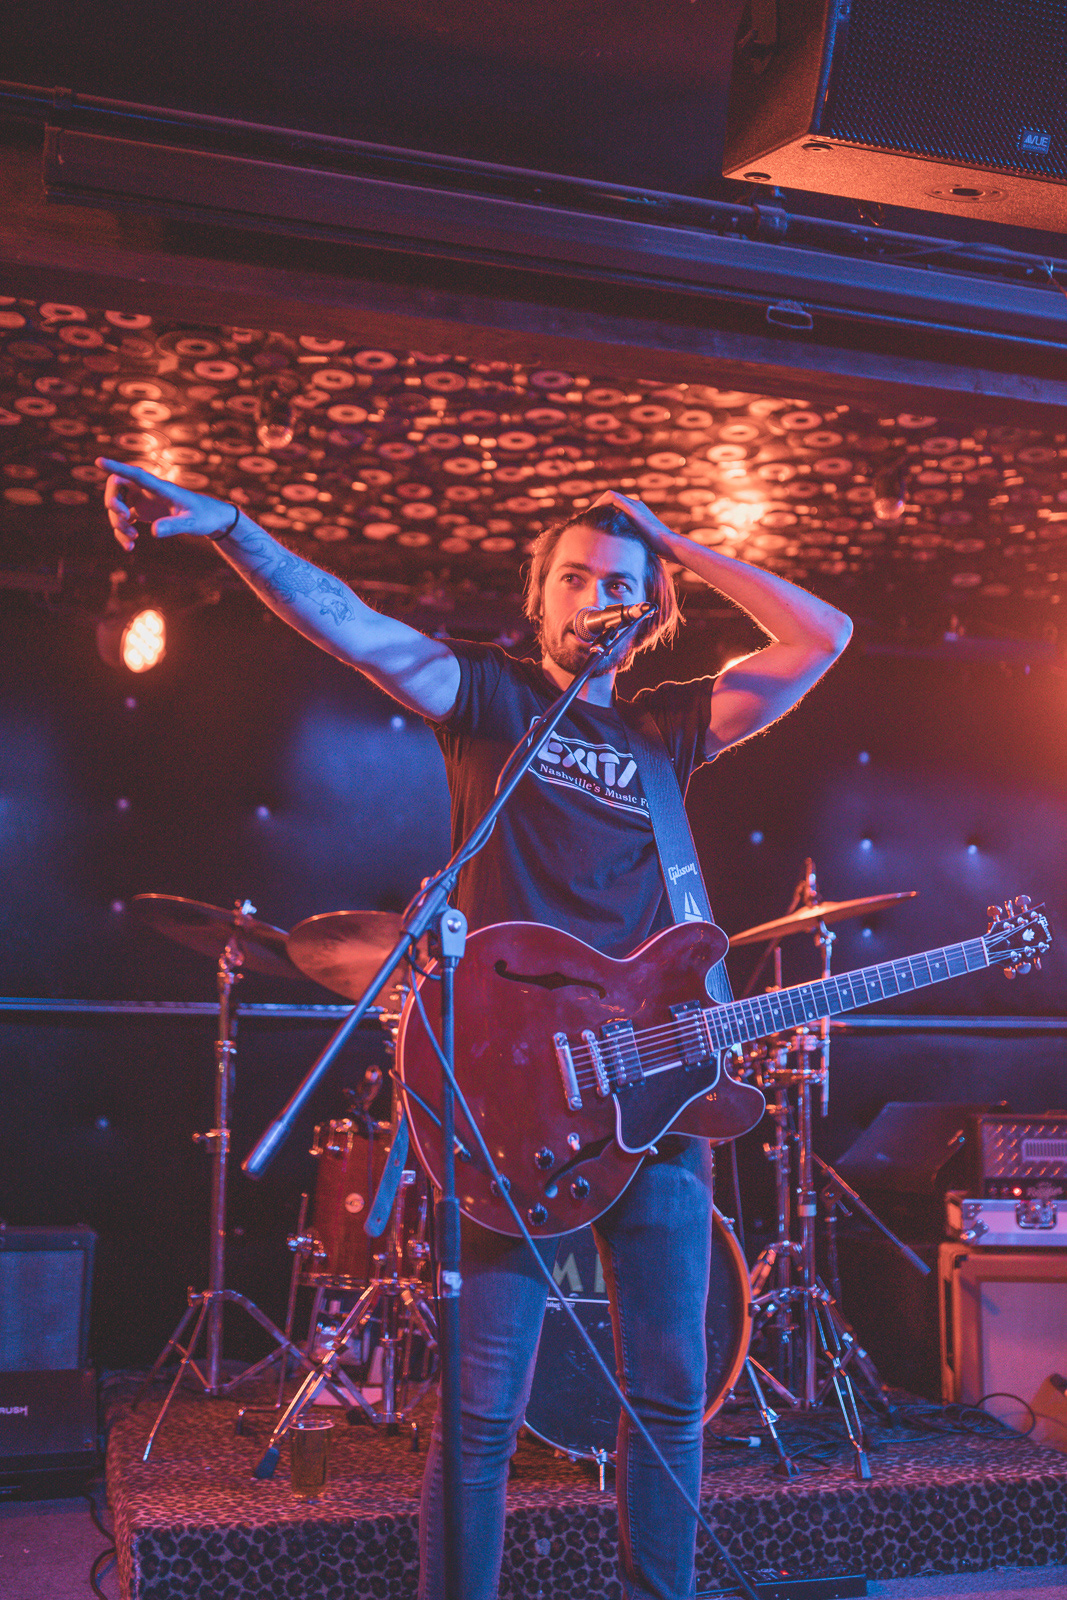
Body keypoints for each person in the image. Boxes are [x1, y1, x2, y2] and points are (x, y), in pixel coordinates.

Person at [99, 457, 852, 1600]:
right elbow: (349, 625)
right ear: (535, 598)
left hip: (653, 1096)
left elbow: (820, 635)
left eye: (617, 584)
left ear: (647, 612)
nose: (592, 596)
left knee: (666, 1397)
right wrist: (233, 527)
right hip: (512, 1098)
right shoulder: (491, 699)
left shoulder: (667, 729)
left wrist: (673, 545)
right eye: (571, 577)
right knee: (482, 1411)